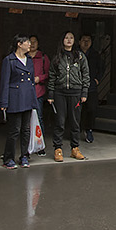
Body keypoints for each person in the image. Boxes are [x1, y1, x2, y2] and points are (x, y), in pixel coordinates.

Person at [46, 30, 90, 161]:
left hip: (76, 92)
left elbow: (86, 74)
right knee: (59, 122)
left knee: (75, 122)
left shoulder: (80, 56)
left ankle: (75, 148)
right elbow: (52, 76)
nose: (69, 40)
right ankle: (58, 149)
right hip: (60, 93)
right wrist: (50, 93)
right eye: (66, 38)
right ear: (62, 40)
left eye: (71, 38)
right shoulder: (57, 57)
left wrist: (84, 92)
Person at [0, 35, 36, 169]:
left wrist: (33, 98)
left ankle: (25, 156)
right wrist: (4, 102)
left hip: (27, 96)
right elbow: (4, 82)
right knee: (14, 130)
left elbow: (31, 80)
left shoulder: (29, 60)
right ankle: (8, 157)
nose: (30, 45)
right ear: (19, 44)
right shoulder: (9, 60)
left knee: (26, 129)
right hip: (14, 97)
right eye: (27, 43)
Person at [78, 33, 103, 143]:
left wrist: (97, 79)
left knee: (91, 109)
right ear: (79, 42)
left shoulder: (95, 54)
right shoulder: (75, 53)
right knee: (77, 109)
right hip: (77, 86)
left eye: (88, 40)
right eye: (84, 39)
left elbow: (102, 67)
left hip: (91, 87)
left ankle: (89, 130)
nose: (86, 42)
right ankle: (76, 130)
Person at [27, 35, 50, 146]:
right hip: (25, 93)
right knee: (25, 119)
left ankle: (39, 144)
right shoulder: (23, 56)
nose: (32, 44)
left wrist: (39, 78)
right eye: (30, 42)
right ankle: (26, 143)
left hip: (38, 92)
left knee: (39, 118)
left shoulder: (43, 57)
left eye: (34, 41)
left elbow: (48, 74)